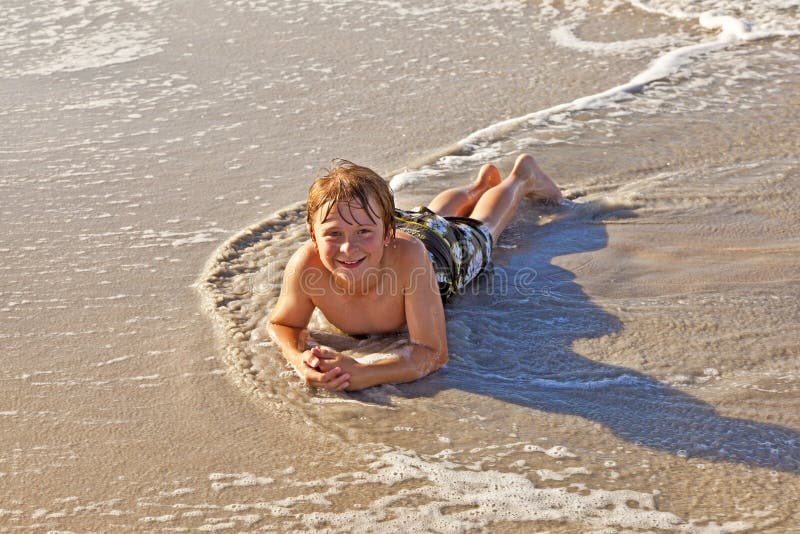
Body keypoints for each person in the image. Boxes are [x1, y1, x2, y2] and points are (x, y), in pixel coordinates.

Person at [267, 154, 562, 391]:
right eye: (333, 233)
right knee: (430, 217)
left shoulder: (410, 262)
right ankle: (479, 186)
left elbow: (432, 352)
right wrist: (298, 359)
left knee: (484, 228)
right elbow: (283, 323)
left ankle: (521, 178)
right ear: (313, 236)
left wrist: (362, 372)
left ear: (386, 232)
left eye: (363, 231)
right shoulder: (308, 264)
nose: (348, 247)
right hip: (401, 231)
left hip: (440, 254)